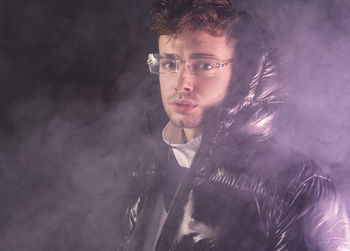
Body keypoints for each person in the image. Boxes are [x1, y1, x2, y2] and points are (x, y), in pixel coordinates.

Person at [119, 0, 350, 250]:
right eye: (169, 64)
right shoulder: (148, 169)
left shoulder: (300, 190)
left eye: (204, 65)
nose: (181, 83)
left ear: (240, 72)